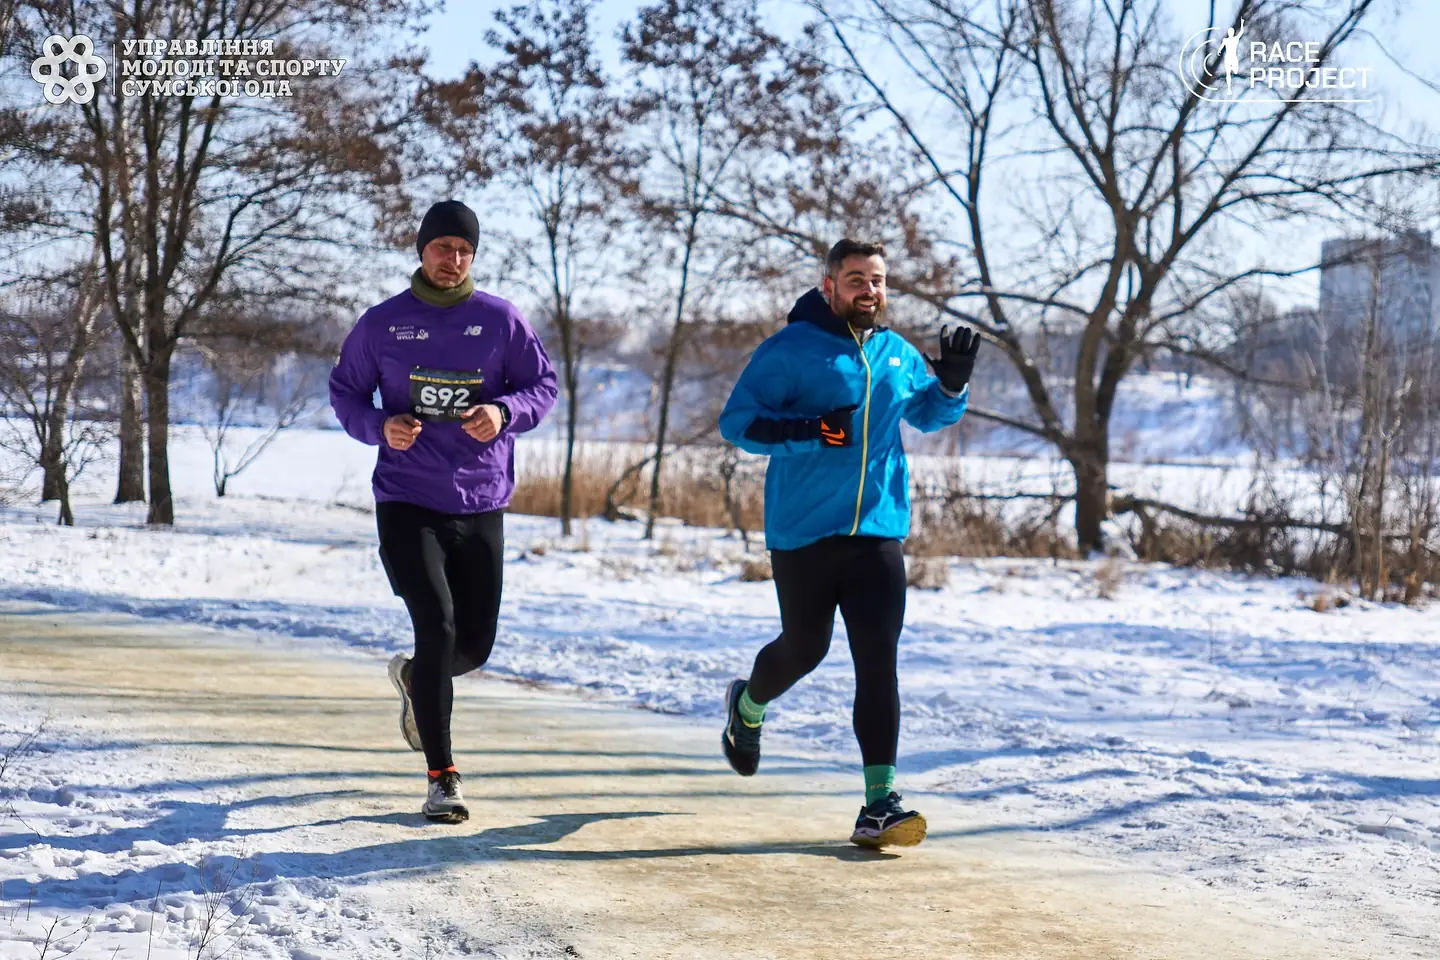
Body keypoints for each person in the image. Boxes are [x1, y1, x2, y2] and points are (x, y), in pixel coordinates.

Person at [717, 238, 980, 848]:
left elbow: (929, 415)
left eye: (879, 280)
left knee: (878, 663)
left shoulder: (896, 352)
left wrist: (953, 386)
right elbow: (739, 424)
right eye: (857, 278)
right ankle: (748, 707)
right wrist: (810, 430)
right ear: (830, 286)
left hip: (878, 533)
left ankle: (879, 804)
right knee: (805, 649)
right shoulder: (788, 351)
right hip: (804, 532)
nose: (870, 290)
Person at [330, 200, 558, 824]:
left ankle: (416, 680)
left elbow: (544, 386)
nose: (452, 259)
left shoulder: (501, 320)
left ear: (473, 257)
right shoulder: (383, 324)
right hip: (406, 499)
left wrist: (505, 413)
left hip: (482, 498)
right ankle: (442, 776)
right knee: (437, 627)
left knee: (473, 646)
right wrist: (380, 424)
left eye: (463, 250)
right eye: (442, 247)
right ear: (421, 250)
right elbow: (345, 391)